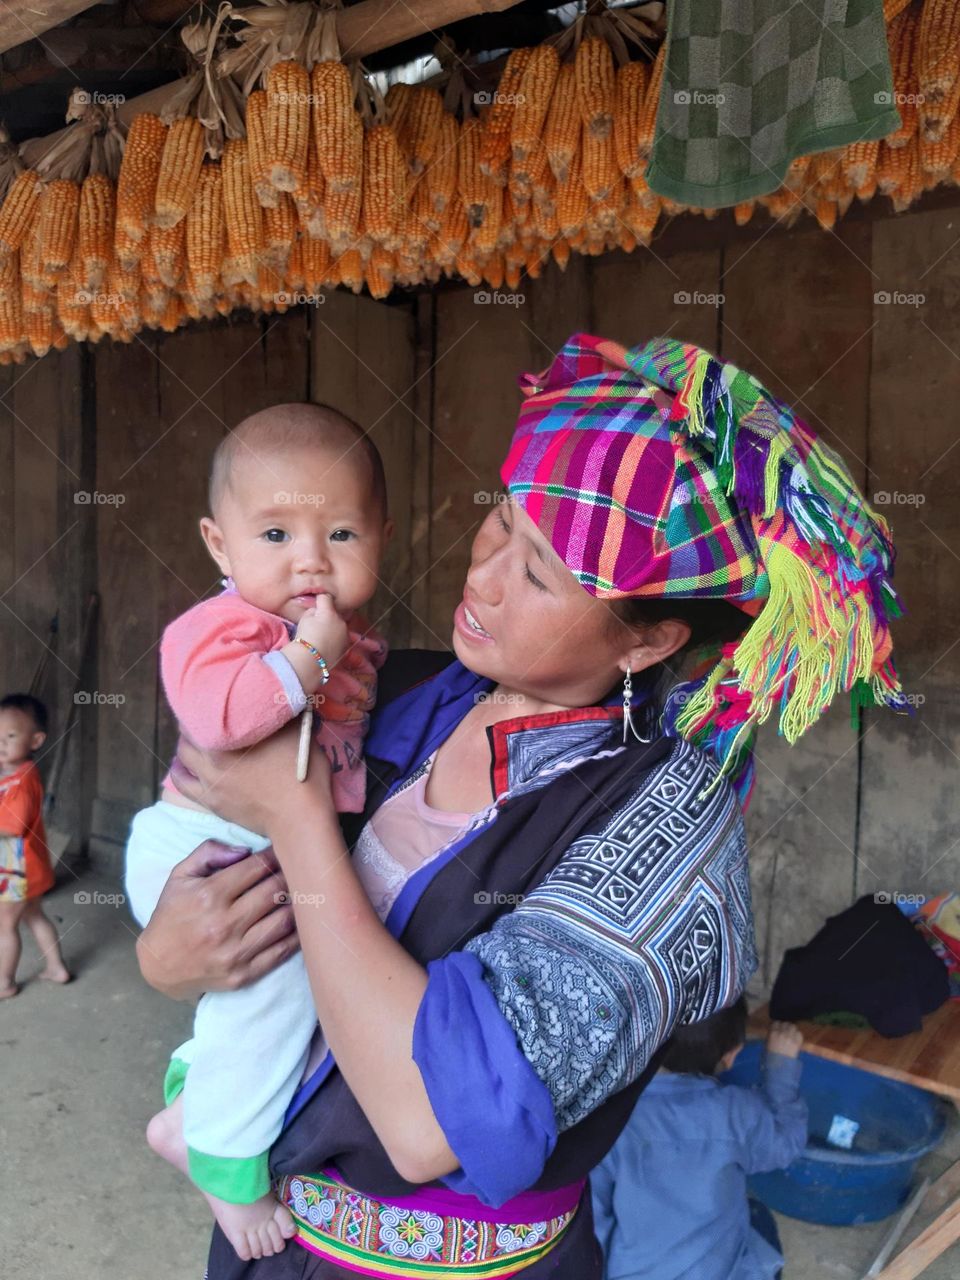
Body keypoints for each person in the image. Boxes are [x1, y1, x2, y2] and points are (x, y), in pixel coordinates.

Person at [136, 333, 907, 1280]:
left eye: (540, 572)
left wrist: (298, 822)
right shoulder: (398, 693)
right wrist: (170, 955)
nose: (484, 573)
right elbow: (215, 892)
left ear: (648, 640)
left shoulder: (668, 848)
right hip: (266, 1243)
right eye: (501, 518)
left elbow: (430, 1123)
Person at [123, 404, 392, 1261]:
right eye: (275, 532)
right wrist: (309, 656)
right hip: (188, 844)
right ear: (218, 546)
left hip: (252, 848)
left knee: (297, 991)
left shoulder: (351, 644)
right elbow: (223, 716)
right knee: (279, 981)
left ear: (381, 538)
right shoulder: (223, 629)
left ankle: (191, 1105)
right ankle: (225, 1163)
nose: (311, 558)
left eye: (342, 531)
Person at [590, 997, 807, 1280]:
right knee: (758, 1218)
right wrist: (781, 1065)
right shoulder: (737, 1111)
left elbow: (592, 1220)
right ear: (732, 1054)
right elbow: (786, 1143)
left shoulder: (611, 1119)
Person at [0, 692, 71, 997]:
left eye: (11, 735)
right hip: (23, 864)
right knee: (33, 915)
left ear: (36, 741)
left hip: (16, 864)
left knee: (5, 926)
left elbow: (13, 827)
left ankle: (4, 982)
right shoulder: (11, 774)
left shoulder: (25, 780)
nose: (1, 742)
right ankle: (56, 968)